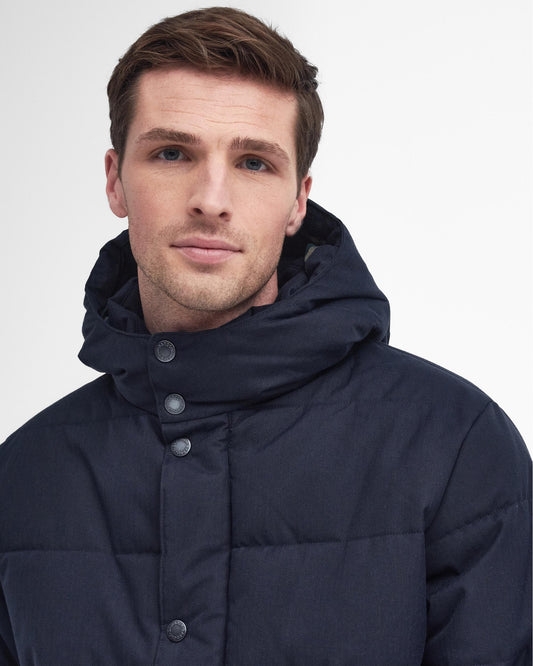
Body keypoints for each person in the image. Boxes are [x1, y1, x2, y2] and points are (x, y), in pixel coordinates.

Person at [0, 6, 530, 665]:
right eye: (172, 153)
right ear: (115, 180)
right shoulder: (23, 478)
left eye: (253, 163)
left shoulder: (455, 447)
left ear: (298, 200)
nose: (211, 199)